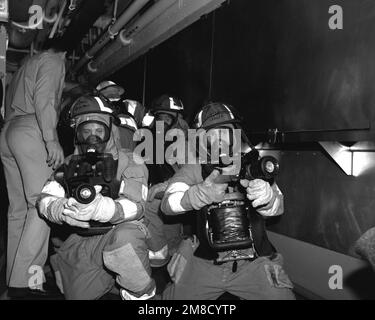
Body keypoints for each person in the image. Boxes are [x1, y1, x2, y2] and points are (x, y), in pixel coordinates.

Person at [160, 102, 295, 300]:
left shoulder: (255, 167)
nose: (218, 141)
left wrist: (267, 198)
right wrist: (196, 195)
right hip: (205, 262)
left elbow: (278, 207)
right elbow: (167, 204)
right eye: (211, 136)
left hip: (253, 262)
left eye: (224, 133)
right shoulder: (193, 169)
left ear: (236, 135)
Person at [37, 94, 156, 300]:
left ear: (111, 131)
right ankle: (110, 281)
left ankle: (140, 294)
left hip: (115, 233)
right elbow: (45, 198)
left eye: (99, 130)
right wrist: (61, 209)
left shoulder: (130, 161)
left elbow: (137, 206)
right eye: (86, 131)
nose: (93, 137)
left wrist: (103, 209)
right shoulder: (68, 164)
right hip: (81, 242)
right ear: (78, 134)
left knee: (127, 236)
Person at [0, 39, 66, 298]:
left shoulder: (24, 65)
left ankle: (12, 282)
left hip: (8, 132)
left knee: (18, 210)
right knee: (43, 204)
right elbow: (45, 98)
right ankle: (25, 284)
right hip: (30, 129)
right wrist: (51, 139)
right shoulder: (53, 60)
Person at [142, 94, 191, 267]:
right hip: (156, 188)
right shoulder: (150, 135)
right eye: (160, 116)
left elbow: (188, 170)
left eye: (168, 116)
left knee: (169, 227)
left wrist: (169, 186)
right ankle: (164, 259)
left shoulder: (183, 139)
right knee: (162, 225)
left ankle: (166, 259)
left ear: (177, 118)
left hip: (172, 189)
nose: (163, 120)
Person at [96, 80, 145, 151]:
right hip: (106, 151)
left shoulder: (131, 105)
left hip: (129, 151)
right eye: (109, 91)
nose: (113, 93)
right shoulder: (97, 108)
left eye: (114, 91)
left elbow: (149, 119)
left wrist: (144, 131)